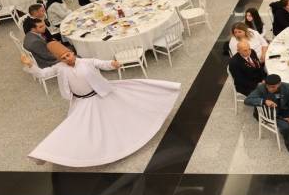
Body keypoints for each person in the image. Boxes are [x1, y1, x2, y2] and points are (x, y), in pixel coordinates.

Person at [20, 42, 181, 167]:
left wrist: (112, 64)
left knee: (113, 118)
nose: (67, 59)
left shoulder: (86, 62)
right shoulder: (59, 68)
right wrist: (30, 65)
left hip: (100, 96)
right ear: (60, 60)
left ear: (72, 53)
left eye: (68, 55)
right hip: (81, 102)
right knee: (75, 129)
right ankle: (48, 153)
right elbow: (43, 73)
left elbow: (102, 63)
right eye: (63, 58)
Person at [244, 74, 289, 154]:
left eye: (273, 87)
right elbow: (247, 100)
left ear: (279, 84)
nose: (271, 89)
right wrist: (264, 101)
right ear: (266, 85)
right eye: (269, 87)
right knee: (286, 127)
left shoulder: (287, 86)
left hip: (282, 108)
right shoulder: (261, 88)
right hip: (269, 113)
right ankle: (288, 142)